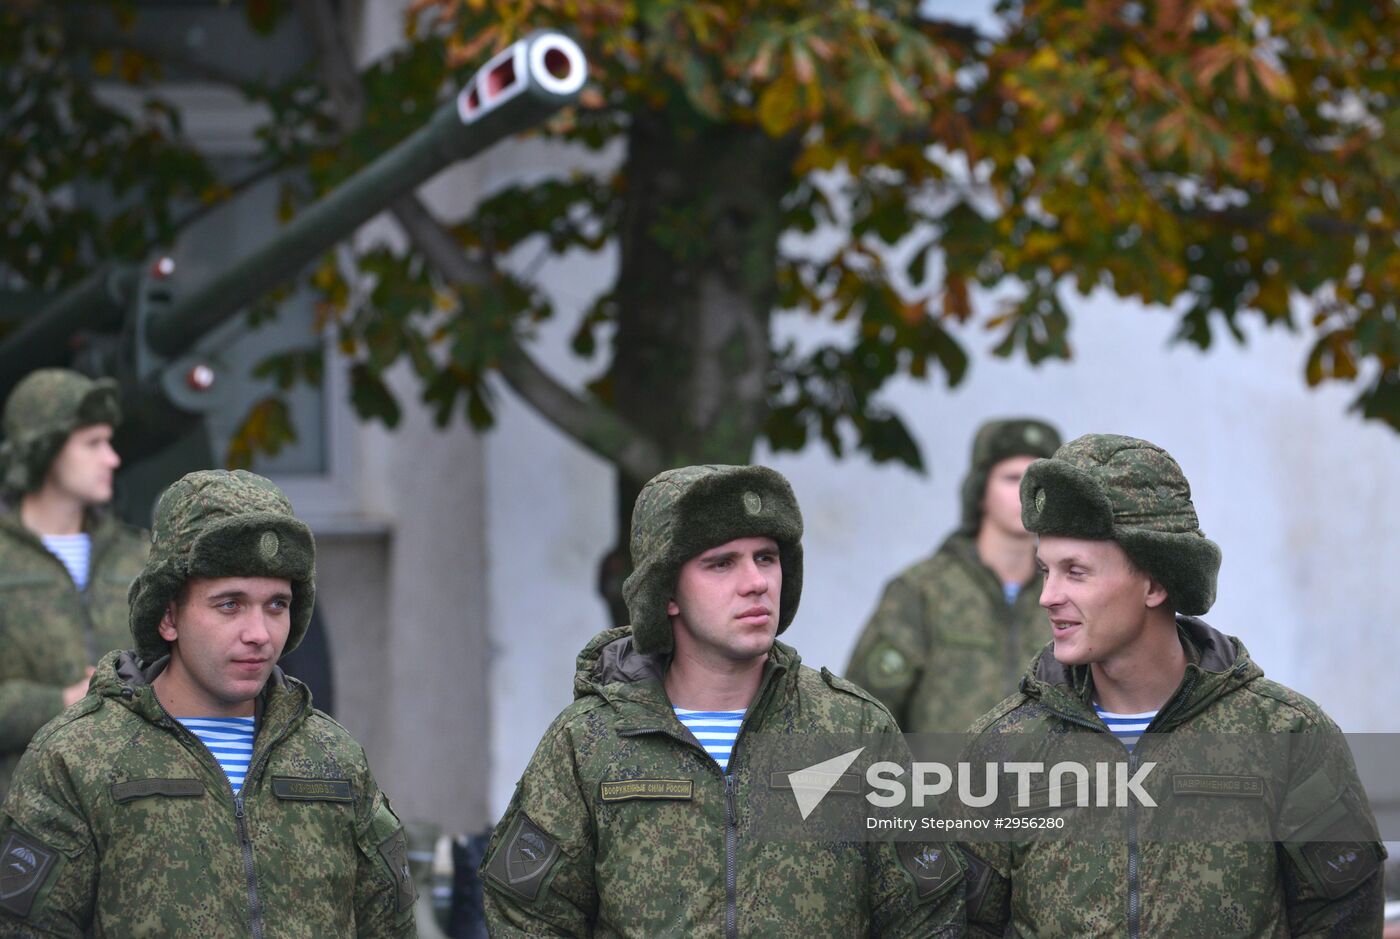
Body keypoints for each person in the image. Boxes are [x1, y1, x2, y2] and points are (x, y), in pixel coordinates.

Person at [481, 464, 964, 937]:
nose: (755, 582)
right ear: (667, 592)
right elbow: (528, 914)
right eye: (721, 563)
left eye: (766, 558)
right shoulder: (588, 743)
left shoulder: (853, 729)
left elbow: (926, 913)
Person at [962, 434, 1385, 937]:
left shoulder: (1288, 737)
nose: (1048, 596)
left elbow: (1341, 920)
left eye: (1076, 572)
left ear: (1155, 584)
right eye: (1046, 571)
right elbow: (964, 923)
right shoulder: (1002, 748)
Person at [0, 469, 416, 936]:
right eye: (229, 605)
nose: (258, 634)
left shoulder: (334, 760)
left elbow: (391, 927)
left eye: (276, 605)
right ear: (168, 616)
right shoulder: (77, 759)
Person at [846, 418, 1061, 732]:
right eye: (1011, 478)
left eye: (1038, 482)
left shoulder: (1069, 593)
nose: (1025, 493)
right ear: (980, 491)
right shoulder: (922, 590)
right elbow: (862, 717)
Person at [0, 369, 148, 803]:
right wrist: (64, 700)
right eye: (92, 443)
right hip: (23, 823)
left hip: (132, 818)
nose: (112, 459)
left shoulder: (137, 555)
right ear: (44, 448)